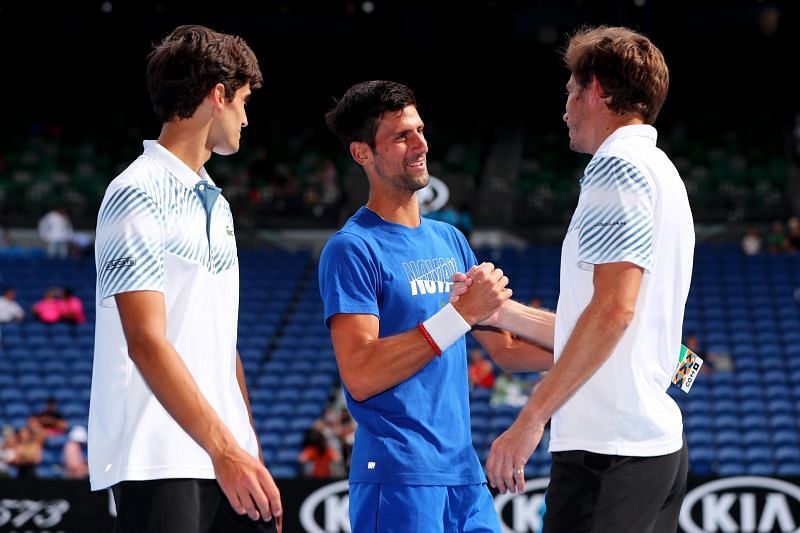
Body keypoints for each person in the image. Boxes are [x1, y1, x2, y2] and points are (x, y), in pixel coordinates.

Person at [457, 26, 694, 533]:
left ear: (598, 91)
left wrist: (530, 420)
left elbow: (613, 312)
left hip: (608, 454)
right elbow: (613, 322)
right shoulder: (662, 171)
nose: (564, 108)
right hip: (649, 451)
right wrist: (500, 313)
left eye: (570, 92)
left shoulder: (617, 168)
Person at [318, 80, 556, 532]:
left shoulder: (450, 240)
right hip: (398, 475)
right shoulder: (352, 248)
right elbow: (362, 375)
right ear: (362, 153)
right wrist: (459, 317)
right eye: (401, 136)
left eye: (420, 130)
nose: (420, 144)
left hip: (464, 475)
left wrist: (595, 353)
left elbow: (505, 351)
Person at [88, 25, 281, 533]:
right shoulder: (135, 191)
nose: (246, 116)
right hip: (160, 456)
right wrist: (225, 450)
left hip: (226, 459)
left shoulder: (216, 203)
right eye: (242, 100)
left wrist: (247, 448)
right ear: (217, 96)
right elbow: (146, 341)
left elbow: (222, 345)